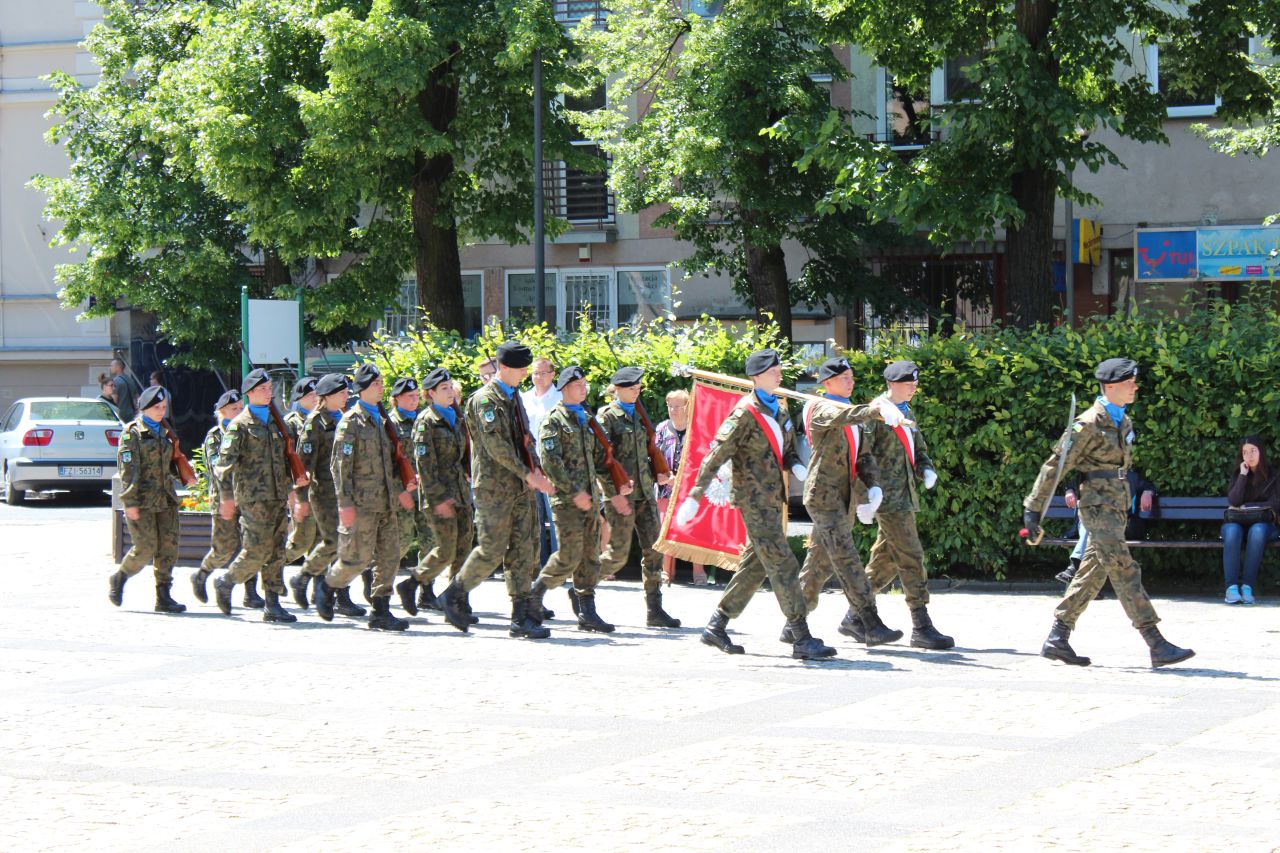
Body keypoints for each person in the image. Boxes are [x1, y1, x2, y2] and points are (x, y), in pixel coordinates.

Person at [1024, 357, 1195, 668]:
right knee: (1123, 568)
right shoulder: (1087, 423)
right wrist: (1033, 510)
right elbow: (1055, 466)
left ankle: (1058, 636)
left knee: (1093, 571)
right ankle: (1155, 641)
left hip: (1116, 507)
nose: (1135, 387)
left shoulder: (1123, 421)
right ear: (1110, 386)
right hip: (1096, 508)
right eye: (1129, 383)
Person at [679, 348, 836, 660]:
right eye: (772, 371)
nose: (779, 374)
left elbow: (786, 451)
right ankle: (800, 636)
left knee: (755, 566)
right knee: (783, 563)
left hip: (773, 499)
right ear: (756, 377)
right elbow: (716, 454)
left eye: (778, 369)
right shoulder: (744, 414)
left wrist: (796, 465)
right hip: (753, 501)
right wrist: (695, 494)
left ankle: (716, 626)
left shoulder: (779, 409)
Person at [437, 341, 556, 638]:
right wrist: (528, 474)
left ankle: (520, 616)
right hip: (494, 488)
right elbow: (496, 447)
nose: (525, 373)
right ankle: (454, 593)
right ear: (503, 368)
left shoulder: (513, 397)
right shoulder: (485, 400)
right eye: (520, 368)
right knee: (491, 549)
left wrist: (537, 469)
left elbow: (525, 439)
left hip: (520, 487)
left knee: (525, 549)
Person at [793, 357, 905, 647]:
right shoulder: (820, 408)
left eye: (852, 377)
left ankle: (794, 623)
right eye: (845, 377)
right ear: (827, 382)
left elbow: (862, 456)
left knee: (819, 564)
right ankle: (868, 621)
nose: (851, 382)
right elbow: (842, 416)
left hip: (844, 497)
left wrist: (873, 486)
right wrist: (875, 409)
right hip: (824, 496)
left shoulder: (851, 412)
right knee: (846, 557)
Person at [850, 360, 953, 650]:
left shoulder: (907, 411)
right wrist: (865, 496)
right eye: (908, 384)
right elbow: (862, 456)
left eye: (915, 384)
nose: (913, 388)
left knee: (885, 561)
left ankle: (855, 615)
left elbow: (919, 449)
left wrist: (926, 469)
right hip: (886, 498)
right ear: (892, 384)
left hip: (905, 496)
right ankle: (921, 625)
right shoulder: (876, 413)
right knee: (911, 556)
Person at [529, 366, 634, 632]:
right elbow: (551, 463)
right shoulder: (553, 421)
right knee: (568, 555)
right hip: (567, 501)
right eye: (578, 385)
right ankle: (534, 596)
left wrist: (616, 489)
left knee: (590, 556)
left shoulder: (587, 419)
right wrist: (574, 492)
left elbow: (601, 461)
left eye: (585, 384)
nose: (583, 389)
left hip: (590, 499)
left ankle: (587, 612)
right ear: (564, 389)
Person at [211, 368, 307, 623]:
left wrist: (293, 492)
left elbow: (286, 460)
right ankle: (226, 581)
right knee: (256, 550)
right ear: (250, 393)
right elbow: (223, 466)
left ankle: (272, 604)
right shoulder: (239, 425)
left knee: (277, 550)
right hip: (253, 499)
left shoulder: (277, 422)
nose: (268, 393)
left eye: (270, 388)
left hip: (277, 496)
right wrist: (226, 498)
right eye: (263, 389)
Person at [597, 366, 681, 628]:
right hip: (622, 495)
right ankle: (582, 587)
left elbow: (648, 451)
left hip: (645, 492)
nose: (637, 391)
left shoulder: (639, 415)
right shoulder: (607, 417)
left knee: (654, 549)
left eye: (638, 388)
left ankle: (654, 609)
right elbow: (601, 458)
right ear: (617, 389)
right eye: (632, 388)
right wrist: (613, 489)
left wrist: (659, 472)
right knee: (617, 554)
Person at [397, 368, 475, 618]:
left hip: (461, 492)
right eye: (444, 388)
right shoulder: (426, 421)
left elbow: (463, 456)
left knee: (463, 549)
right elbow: (425, 466)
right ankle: (412, 584)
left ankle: (458, 600)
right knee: (445, 550)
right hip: (439, 496)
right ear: (430, 393)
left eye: (451, 387)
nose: (450, 392)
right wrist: (438, 498)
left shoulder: (456, 417)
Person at [287, 374, 366, 618]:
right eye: (341, 393)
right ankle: (305, 579)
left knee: (347, 544)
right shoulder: (315, 423)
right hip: (324, 493)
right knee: (333, 541)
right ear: (328, 396)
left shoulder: (344, 418)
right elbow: (304, 466)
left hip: (346, 492)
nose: (346, 396)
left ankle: (335, 592)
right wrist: (301, 499)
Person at [106, 385, 187, 614]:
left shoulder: (165, 432)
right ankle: (120, 577)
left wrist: (183, 474)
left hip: (165, 498)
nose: (162, 411)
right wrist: (130, 502)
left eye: (164, 407)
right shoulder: (132, 433)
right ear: (144, 408)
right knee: (145, 547)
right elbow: (127, 471)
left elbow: (167, 465)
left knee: (168, 547)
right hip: (142, 500)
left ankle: (163, 596)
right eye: (157, 407)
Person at [191, 389, 257, 606]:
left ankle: (250, 592)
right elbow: (216, 468)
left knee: (251, 544)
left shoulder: (248, 431)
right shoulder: (215, 436)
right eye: (233, 409)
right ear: (222, 412)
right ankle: (201, 574)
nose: (238, 411)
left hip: (247, 496)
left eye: (240, 408)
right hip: (223, 498)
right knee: (224, 548)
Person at [1057, 468, 1157, 586]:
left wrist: (1148, 492)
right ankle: (1082, 574)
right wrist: (1069, 491)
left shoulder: (1130, 476)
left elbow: (1149, 486)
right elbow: (1072, 484)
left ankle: (1075, 566)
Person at [387, 376, 435, 607]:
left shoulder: (425, 419)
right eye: (409, 396)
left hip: (425, 490)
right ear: (397, 398)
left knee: (430, 541)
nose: (415, 400)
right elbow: (386, 463)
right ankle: (378, 583)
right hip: (402, 491)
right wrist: (399, 491)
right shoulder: (389, 424)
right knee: (402, 541)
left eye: (417, 396)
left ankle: (426, 591)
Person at [655, 389, 708, 585]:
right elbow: (653, 455)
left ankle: (698, 571)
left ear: (688, 407)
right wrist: (661, 475)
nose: (674, 410)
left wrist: (683, 479)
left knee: (693, 528)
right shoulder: (662, 428)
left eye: (678, 406)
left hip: (691, 489)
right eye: (670, 406)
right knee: (665, 528)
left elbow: (703, 459)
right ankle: (666, 571)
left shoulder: (697, 429)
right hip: (665, 489)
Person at [1222, 436, 1280, 605]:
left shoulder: (1274, 475)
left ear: (1261, 451)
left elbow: (1276, 504)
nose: (1249, 456)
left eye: (1253, 451)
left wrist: (1248, 506)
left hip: (1265, 525)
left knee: (1257, 531)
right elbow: (1234, 501)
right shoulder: (1239, 474)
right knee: (1232, 531)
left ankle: (1247, 587)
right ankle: (1232, 589)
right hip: (1237, 522)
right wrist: (1242, 475)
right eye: (1245, 452)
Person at [522, 357, 562, 567]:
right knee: (533, 518)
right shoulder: (523, 398)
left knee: (556, 518)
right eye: (535, 373)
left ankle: (557, 566)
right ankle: (538, 564)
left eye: (543, 373)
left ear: (553, 374)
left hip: (553, 466)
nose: (538, 377)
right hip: (530, 466)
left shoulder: (561, 397)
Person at [283, 377, 320, 567]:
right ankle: (272, 565)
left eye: (317, 394)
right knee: (302, 538)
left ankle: (316, 579)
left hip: (321, 487)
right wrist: (291, 492)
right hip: (301, 488)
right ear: (299, 398)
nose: (315, 398)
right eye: (310, 395)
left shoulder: (322, 419)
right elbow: (286, 460)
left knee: (321, 538)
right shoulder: (291, 423)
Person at [109, 357, 140, 423]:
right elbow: (137, 398)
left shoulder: (115, 381)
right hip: (131, 415)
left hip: (120, 415)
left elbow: (114, 400)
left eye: (111, 366)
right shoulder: (130, 380)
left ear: (118, 367)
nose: (110, 368)